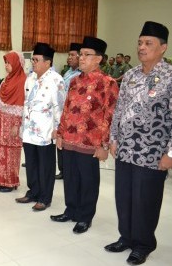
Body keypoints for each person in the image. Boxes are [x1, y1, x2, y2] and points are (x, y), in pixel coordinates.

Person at [106, 21, 171, 265]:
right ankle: (126, 237)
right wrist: (113, 138)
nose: (141, 47)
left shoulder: (169, 76)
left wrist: (171, 154)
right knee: (124, 197)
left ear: (163, 48)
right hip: (125, 150)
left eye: (148, 44)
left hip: (152, 153)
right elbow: (119, 110)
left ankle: (143, 244)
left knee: (145, 200)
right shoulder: (131, 75)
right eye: (140, 43)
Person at [51, 36, 119, 234]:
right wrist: (61, 133)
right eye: (81, 55)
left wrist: (104, 144)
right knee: (70, 178)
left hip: (90, 143)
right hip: (70, 139)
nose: (81, 58)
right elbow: (67, 108)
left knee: (88, 181)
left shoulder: (108, 83)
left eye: (86, 55)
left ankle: (85, 216)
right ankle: (71, 210)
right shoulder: (74, 81)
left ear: (98, 59)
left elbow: (110, 115)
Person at [15, 42, 64, 212]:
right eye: (33, 60)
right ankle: (33, 192)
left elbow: (60, 107)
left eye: (36, 60)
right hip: (29, 130)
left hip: (46, 132)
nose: (33, 63)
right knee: (32, 163)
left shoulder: (56, 80)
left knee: (45, 166)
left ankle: (45, 197)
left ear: (47, 62)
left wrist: (58, 129)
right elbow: (25, 104)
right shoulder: (30, 79)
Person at [0, 51, 26, 192]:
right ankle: (2, 180)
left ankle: (11, 182)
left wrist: (17, 125)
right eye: (5, 63)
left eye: (9, 63)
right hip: (3, 120)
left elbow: (22, 105)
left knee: (12, 152)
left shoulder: (22, 81)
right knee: (2, 150)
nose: (6, 65)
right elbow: (1, 101)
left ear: (17, 64)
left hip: (13, 122)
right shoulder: (6, 80)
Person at [56, 43, 82, 180]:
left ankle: (69, 171)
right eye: (69, 55)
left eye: (73, 55)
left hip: (73, 115)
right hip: (62, 113)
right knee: (61, 143)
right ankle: (63, 170)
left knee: (69, 145)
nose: (69, 58)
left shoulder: (80, 75)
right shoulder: (68, 72)